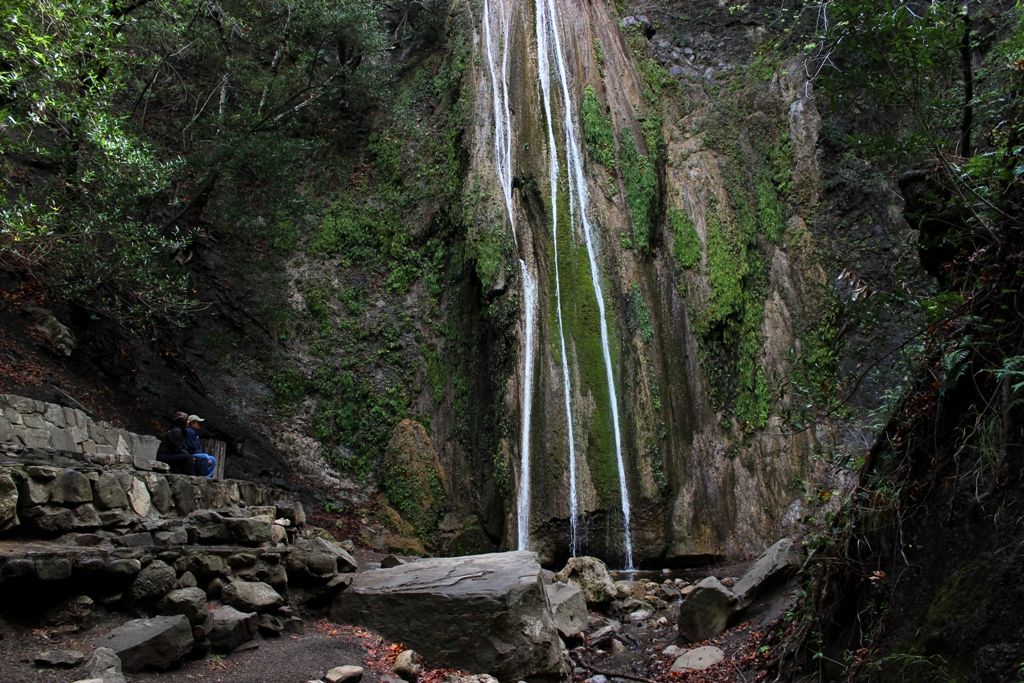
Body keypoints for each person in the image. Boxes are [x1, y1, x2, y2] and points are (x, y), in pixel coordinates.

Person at [185, 414, 217, 479]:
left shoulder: (195, 433)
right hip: (190, 454)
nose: (200, 424)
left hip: (197, 454)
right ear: (193, 423)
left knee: (213, 459)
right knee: (205, 457)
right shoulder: (189, 432)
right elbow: (191, 447)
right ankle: (201, 477)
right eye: (198, 422)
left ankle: (207, 477)